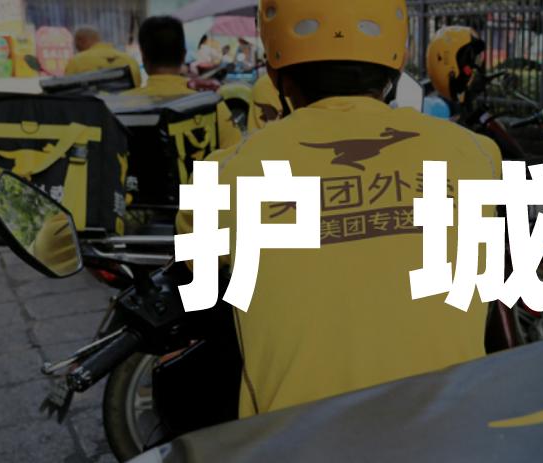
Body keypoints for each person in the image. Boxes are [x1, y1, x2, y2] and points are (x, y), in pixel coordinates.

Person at [177, 0, 502, 419]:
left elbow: (195, 270)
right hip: (454, 431)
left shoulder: (221, 175)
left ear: (274, 73)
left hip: (293, 439)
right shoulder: (477, 153)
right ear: (398, 63)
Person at [124, 16, 243, 151]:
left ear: (143, 57)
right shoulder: (212, 106)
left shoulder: (122, 107)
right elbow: (236, 154)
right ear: (184, 56)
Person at [63, 26, 142, 88]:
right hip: (126, 103)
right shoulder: (130, 60)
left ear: (81, 39)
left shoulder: (77, 61)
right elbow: (137, 87)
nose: (77, 49)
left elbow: (66, 90)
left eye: (76, 46)